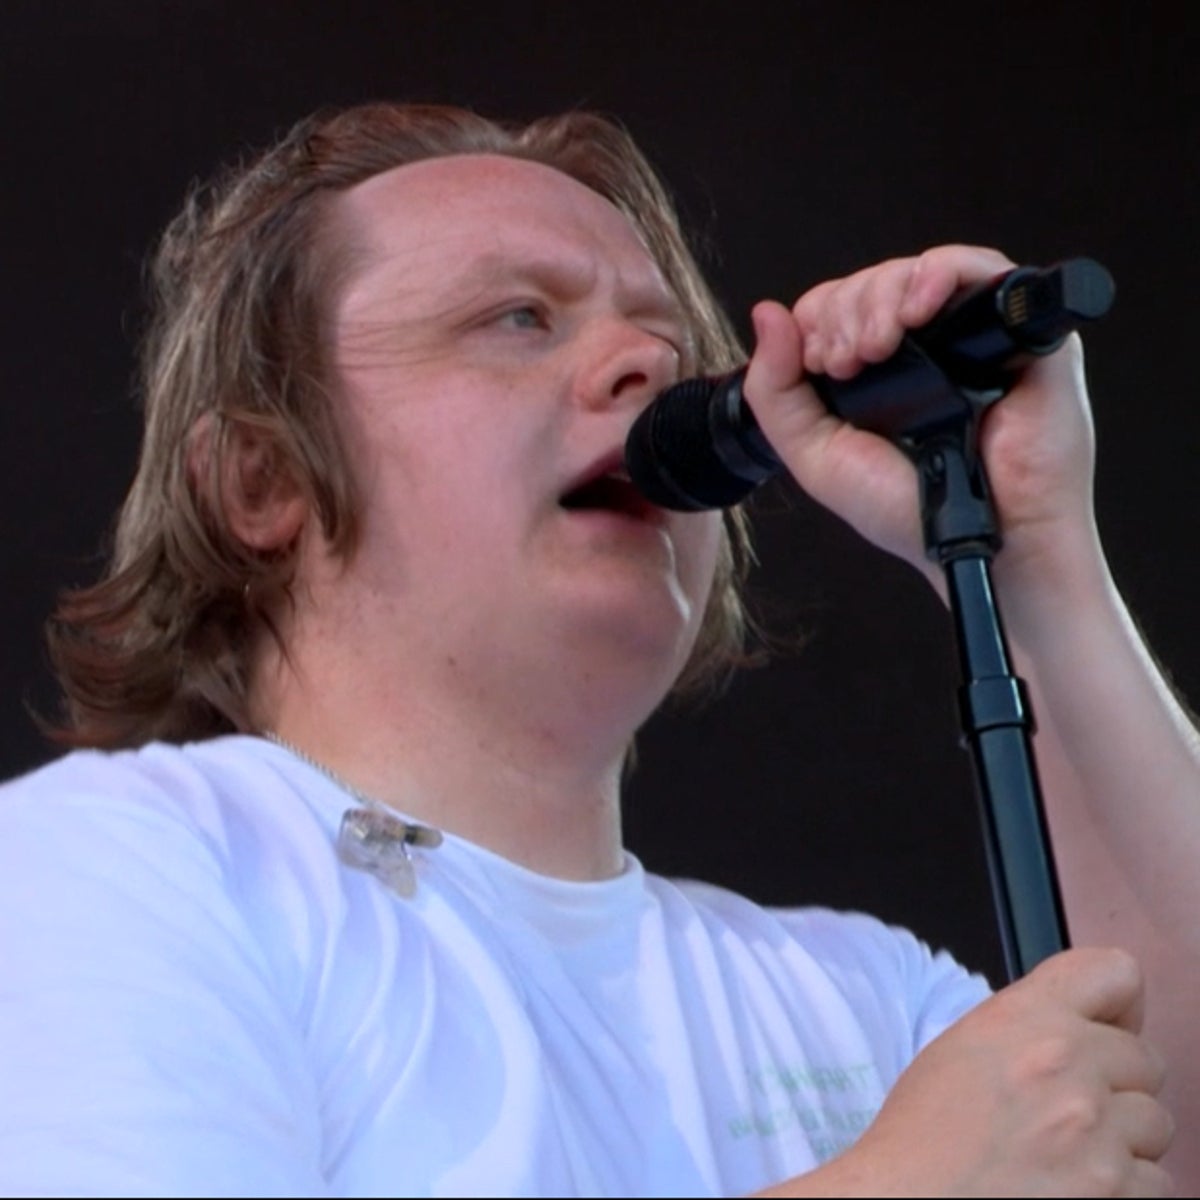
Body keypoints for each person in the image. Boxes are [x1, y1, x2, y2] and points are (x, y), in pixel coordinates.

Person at [0, 100, 1195, 1197]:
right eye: (516, 317)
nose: (645, 367)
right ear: (259, 479)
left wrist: (1036, 555)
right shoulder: (122, 863)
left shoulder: (855, 998)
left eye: (670, 346)